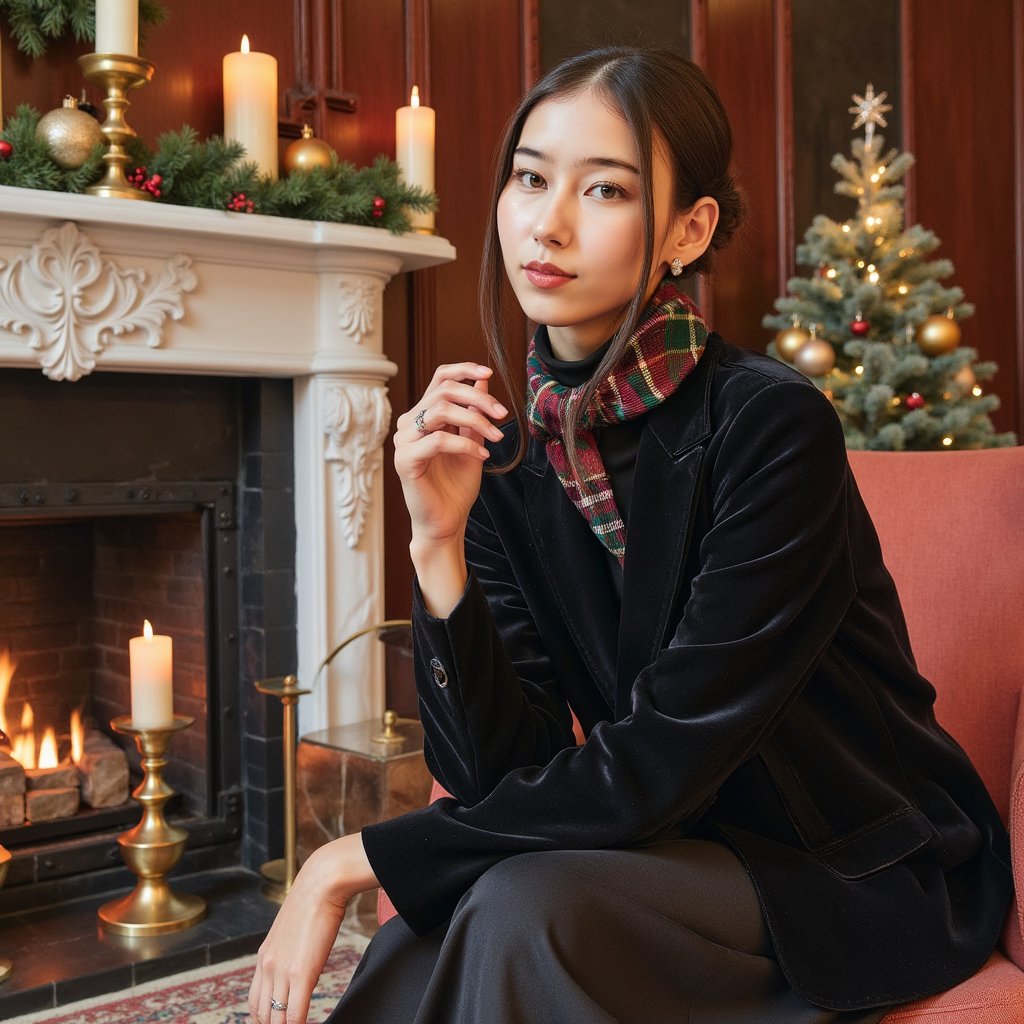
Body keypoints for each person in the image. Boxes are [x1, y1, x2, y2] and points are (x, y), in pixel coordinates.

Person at [248, 46, 1012, 1024]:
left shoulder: (771, 428)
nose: (547, 221)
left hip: (845, 865)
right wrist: (436, 547)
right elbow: (502, 772)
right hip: (658, 849)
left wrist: (348, 857)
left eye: (603, 189)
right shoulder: (504, 462)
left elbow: (663, 756)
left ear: (687, 231)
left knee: (519, 906)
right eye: (529, 177)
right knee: (464, 912)